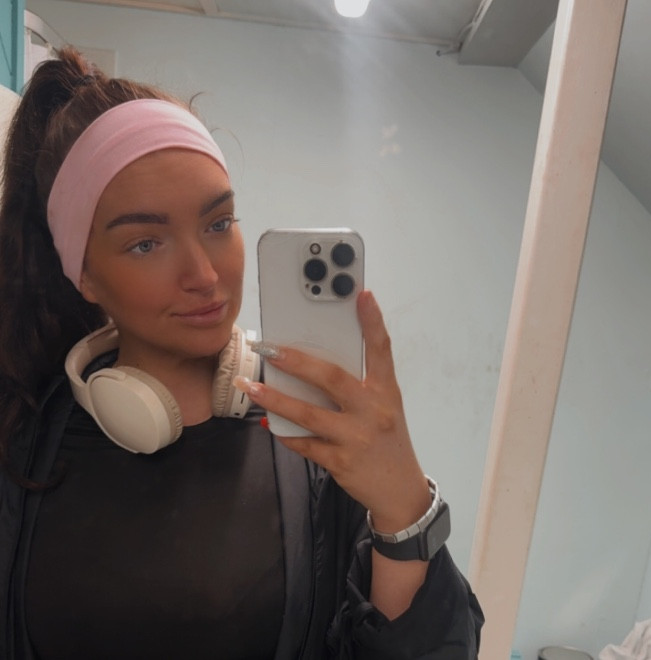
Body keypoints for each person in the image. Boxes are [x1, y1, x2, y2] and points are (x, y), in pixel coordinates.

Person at [0, 47, 483, 659]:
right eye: (146, 243)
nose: (204, 275)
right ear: (84, 274)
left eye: (218, 224)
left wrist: (404, 511)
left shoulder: (311, 440)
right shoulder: (19, 442)